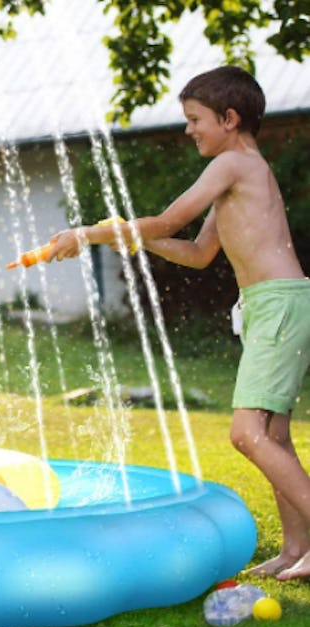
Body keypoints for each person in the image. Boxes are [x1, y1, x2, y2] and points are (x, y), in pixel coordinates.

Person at [47, 65, 310, 580]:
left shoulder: (233, 163)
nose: (189, 130)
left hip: (278, 302)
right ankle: (296, 549)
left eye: (196, 119)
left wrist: (88, 235)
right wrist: (129, 237)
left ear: (229, 119)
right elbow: (196, 251)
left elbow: (170, 221)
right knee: (274, 437)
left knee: (247, 434)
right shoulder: (241, 171)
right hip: (268, 304)